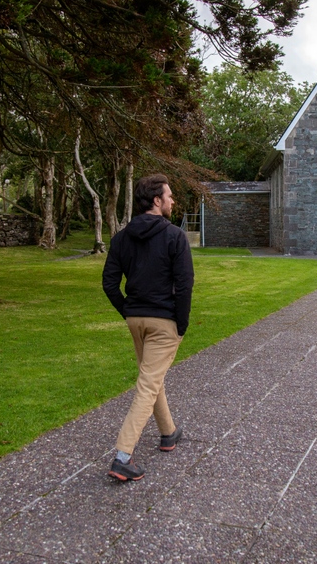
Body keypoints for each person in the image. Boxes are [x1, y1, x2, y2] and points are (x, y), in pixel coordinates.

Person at [102, 174, 194, 481]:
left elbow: (109, 284)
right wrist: (181, 324)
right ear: (156, 200)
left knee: (151, 378)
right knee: (148, 385)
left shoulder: (120, 237)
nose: (171, 201)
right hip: (163, 321)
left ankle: (168, 432)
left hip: (136, 319)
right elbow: (184, 285)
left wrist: (126, 310)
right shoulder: (175, 236)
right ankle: (122, 456)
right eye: (168, 196)